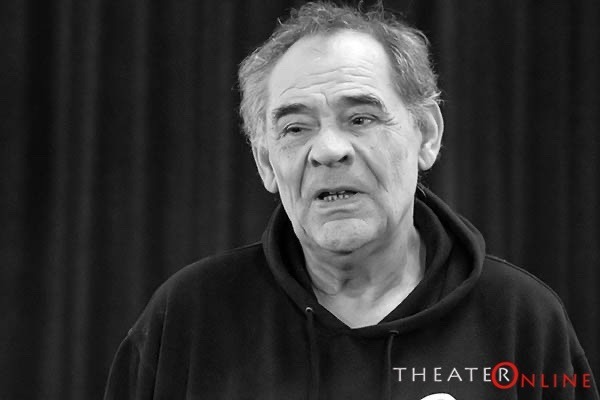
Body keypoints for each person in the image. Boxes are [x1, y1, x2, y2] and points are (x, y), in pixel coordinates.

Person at [104, 2, 598, 399]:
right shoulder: (189, 318)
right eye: (295, 128)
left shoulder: (519, 320)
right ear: (265, 162)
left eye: (360, 119)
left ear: (427, 135)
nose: (328, 150)